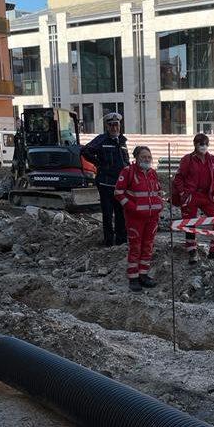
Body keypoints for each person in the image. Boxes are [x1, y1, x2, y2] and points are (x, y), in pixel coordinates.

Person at [114, 146, 163, 292]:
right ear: (136, 158)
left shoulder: (153, 173)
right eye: (144, 157)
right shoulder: (128, 172)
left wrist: (159, 204)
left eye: (149, 157)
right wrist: (131, 207)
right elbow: (118, 192)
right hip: (135, 219)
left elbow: (158, 191)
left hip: (152, 218)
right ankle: (133, 277)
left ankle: (143, 275)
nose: (147, 159)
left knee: (148, 246)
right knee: (135, 247)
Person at [173, 133, 214, 263]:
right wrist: (182, 194)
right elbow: (178, 177)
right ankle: (192, 250)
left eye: (206, 143)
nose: (203, 146)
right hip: (191, 195)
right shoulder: (188, 159)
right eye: (200, 143)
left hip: (206, 195)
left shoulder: (212, 159)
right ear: (195, 145)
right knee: (190, 222)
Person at [82, 112, 129, 246]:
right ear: (107, 126)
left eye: (116, 125)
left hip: (120, 185)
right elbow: (85, 151)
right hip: (105, 184)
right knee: (108, 215)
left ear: (120, 125)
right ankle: (108, 242)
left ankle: (121, 241)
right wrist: (99, 163)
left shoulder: (122, 141)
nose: (114, 128)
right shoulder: (101, 140)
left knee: (121, 214)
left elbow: (125, 162)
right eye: (111, 125)